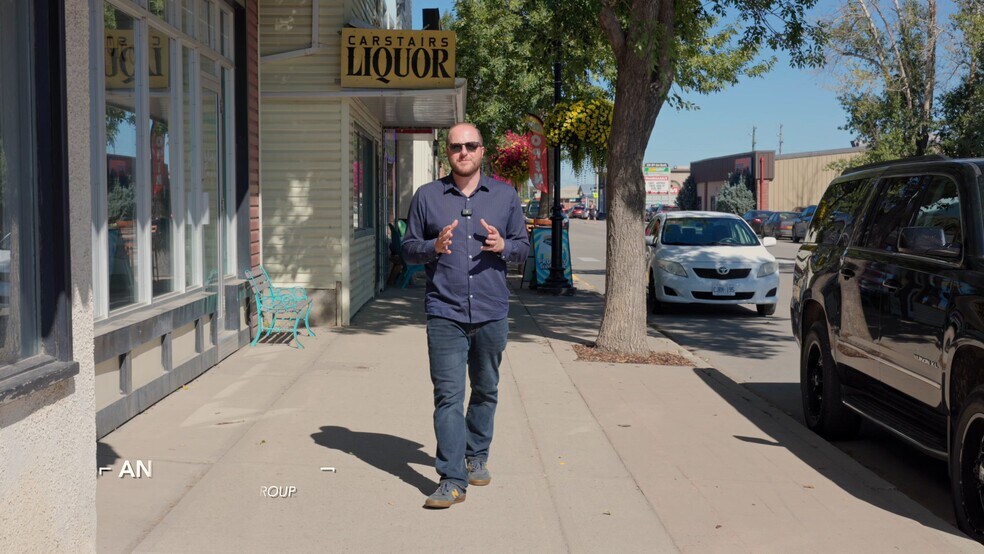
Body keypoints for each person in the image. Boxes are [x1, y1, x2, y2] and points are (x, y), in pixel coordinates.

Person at [402, 123, 530, 509]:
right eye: (456, 146)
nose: (463, 152)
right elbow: (407, 248)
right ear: (447, 153)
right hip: (445, 312)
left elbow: (524, 248)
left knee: (486, 390)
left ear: (482, 150)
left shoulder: (505, 196)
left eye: (470, 145)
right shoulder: (427, 197)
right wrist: (432, 246)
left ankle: (476, 456)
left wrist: (504, 245)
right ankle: (452, 478)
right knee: (448, 397)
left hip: (491, 311)